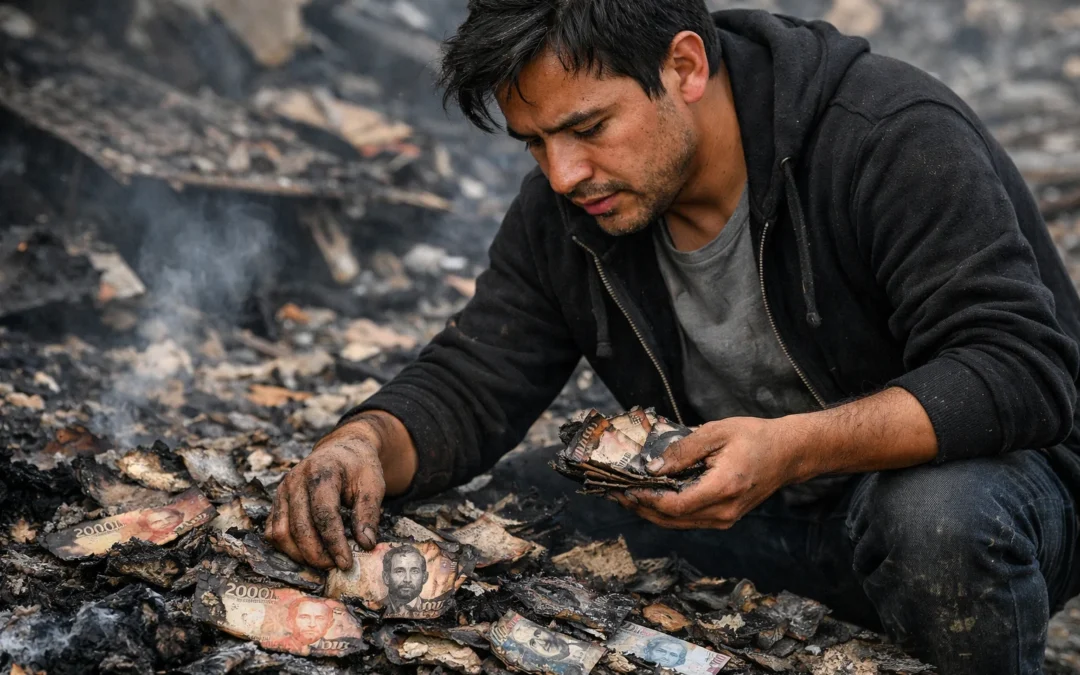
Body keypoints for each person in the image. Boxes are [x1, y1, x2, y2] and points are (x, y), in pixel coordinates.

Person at [265, 1, 1080, 672]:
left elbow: (1019, 370)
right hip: (761, 515)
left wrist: (791, 448)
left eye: (587, 128)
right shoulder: (567, 213)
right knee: (513, 508)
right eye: (536, 142)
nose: (562, 173)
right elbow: (476, 377)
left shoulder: (886, 134)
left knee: (938, 518)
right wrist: (362, 443)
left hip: (989, 504)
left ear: (685, 66)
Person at [263, 598, 334, 654]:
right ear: (290, 622)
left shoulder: (335, 650)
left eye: (320, 618)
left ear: (329, 624)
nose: (312, 624)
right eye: (304, 617)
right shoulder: (275, 646)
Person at [381, 544, 428, 616]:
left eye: (414, 571)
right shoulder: (373, 609)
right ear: (386, 577)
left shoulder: (436, 610)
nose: (407, 579)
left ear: (424, 577)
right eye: (399, 571)